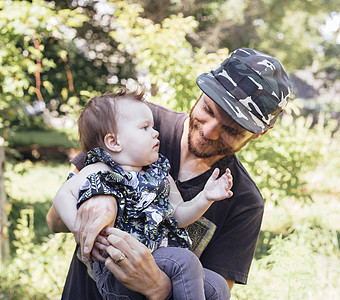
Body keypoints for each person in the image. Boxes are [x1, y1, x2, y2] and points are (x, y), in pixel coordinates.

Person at [47, 47, 292, 299]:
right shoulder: (136, 122)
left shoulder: (244, 200)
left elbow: (216, 291)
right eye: (209, 110)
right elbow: (53, 220)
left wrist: (157, 288)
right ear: (202, 92)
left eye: (232, 130)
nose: (210, 132)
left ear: (259, 133)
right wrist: (101, 194)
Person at [53, 89, 233, 300]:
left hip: (157, 259)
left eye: (153, 126)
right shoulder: (101, 169)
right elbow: (62, 196)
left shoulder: (159, 173)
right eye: (145, 128)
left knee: (218, 286)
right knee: (186, 261)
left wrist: (206, 197)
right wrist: (82, 232)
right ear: (114, 142)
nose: (155, 133)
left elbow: (179, 216)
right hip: (119, 265)